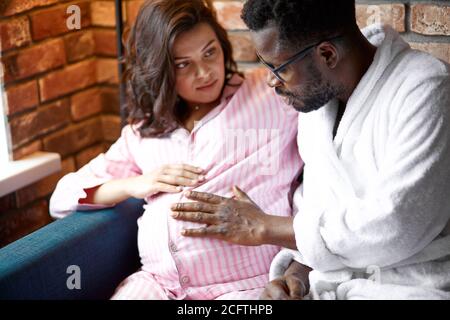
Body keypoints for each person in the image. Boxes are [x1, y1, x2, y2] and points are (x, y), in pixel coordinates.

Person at [171, 0, 450, 299]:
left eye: (279, 68)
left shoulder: (426, 89)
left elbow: (397, 224)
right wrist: (295, 277)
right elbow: (317, 209)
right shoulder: (316, 107)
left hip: (409, 287)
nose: (270, 81)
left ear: (327, 54)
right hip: (330, 286)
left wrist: (265, 226)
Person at [49, 0, 302, 300]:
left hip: (243, 288)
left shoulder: (271, 94)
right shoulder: (144, 134)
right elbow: (62, 200)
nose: (205, 72)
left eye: (210, 53)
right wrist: (136, 184)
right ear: (161, 70)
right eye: (184, 65)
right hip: (157, 285)